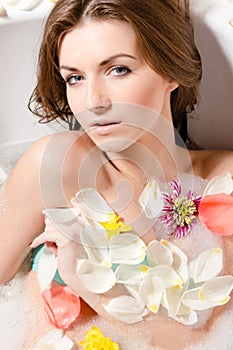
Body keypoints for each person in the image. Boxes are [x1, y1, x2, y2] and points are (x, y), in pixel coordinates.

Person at [0, 0, 233, 349]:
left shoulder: (222, 186)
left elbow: (199, 340)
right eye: (75, 78)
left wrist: (82, 276)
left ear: (171, 70)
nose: (93, 100)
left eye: (118, 70)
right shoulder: (56, 166)